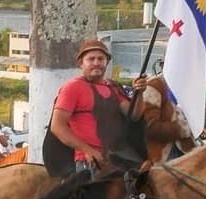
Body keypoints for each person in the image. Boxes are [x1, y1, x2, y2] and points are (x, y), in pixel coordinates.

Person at [47, 38, 146, 174]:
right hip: (91, 162)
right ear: (81, 63)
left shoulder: (113, 87)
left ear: (106, 62)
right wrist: (88, 150)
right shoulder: (73, 88)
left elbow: (134, 115)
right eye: (91, 59)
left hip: (120, 157)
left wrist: (139, 93)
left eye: (101, 59)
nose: (96, 63)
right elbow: (57, 126)